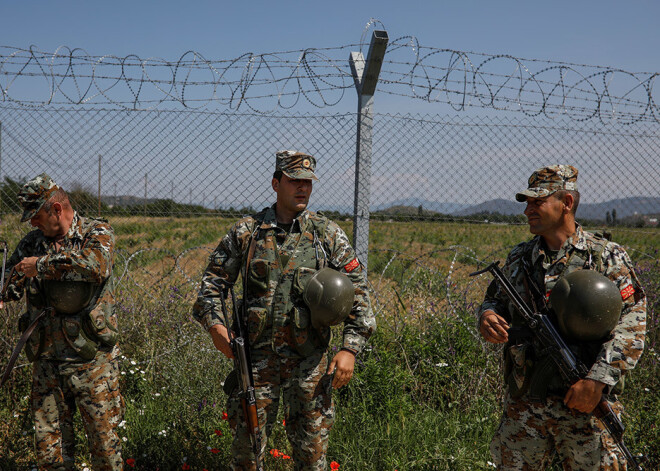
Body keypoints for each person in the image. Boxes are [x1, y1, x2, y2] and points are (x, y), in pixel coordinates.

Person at [192, 150, 376, 470]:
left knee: (312, 456)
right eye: (294, 181)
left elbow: (359, 294)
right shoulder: (247, 233)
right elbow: (211, 287)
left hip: (309, 365)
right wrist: (217, 329)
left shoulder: (325, 234)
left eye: (307, 182)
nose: (302, 188)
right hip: (256, 364)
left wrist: (350, 349)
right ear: (276, 183)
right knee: (247, 455)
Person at [477, 165, 646, 470]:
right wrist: (488, 315)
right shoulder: (520, 257)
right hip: (526, 406)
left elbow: (633, 323)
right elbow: (495, 300)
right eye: (526, 203)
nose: (528, 210)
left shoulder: (605, 256)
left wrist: (597, 381)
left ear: (566, 203)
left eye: (537, 202)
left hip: (585, 404)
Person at [1, 174, 124, 471]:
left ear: (56, 209)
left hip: (91, 362)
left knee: (104, 444)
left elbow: (95, 266)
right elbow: (10, 283)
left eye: (36, 216)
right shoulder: (32, 243)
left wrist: (40, 266)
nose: (32, 223)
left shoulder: (97, 232)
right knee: (48, 450)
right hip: (45, 360)